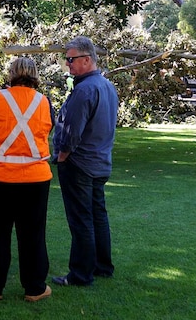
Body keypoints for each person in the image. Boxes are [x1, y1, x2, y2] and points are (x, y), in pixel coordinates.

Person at [0, 57, 55, 302]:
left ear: (11, 74)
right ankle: (35, 288)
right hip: (36, 179)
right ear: (35, 75)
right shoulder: (44, 102)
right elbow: (48, 130)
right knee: (33, 234)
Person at [52, 36, 119, 287]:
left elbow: (71, 132)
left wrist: (61, 157)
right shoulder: (107, 86)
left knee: (81, 219)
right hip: (100, 161)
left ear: (87, 60)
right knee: (98, 216)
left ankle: (80, 274)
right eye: (67, 59)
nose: (67, 64)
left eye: (71, 59)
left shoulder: (84, 89)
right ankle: (102, 266)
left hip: (80, 164)